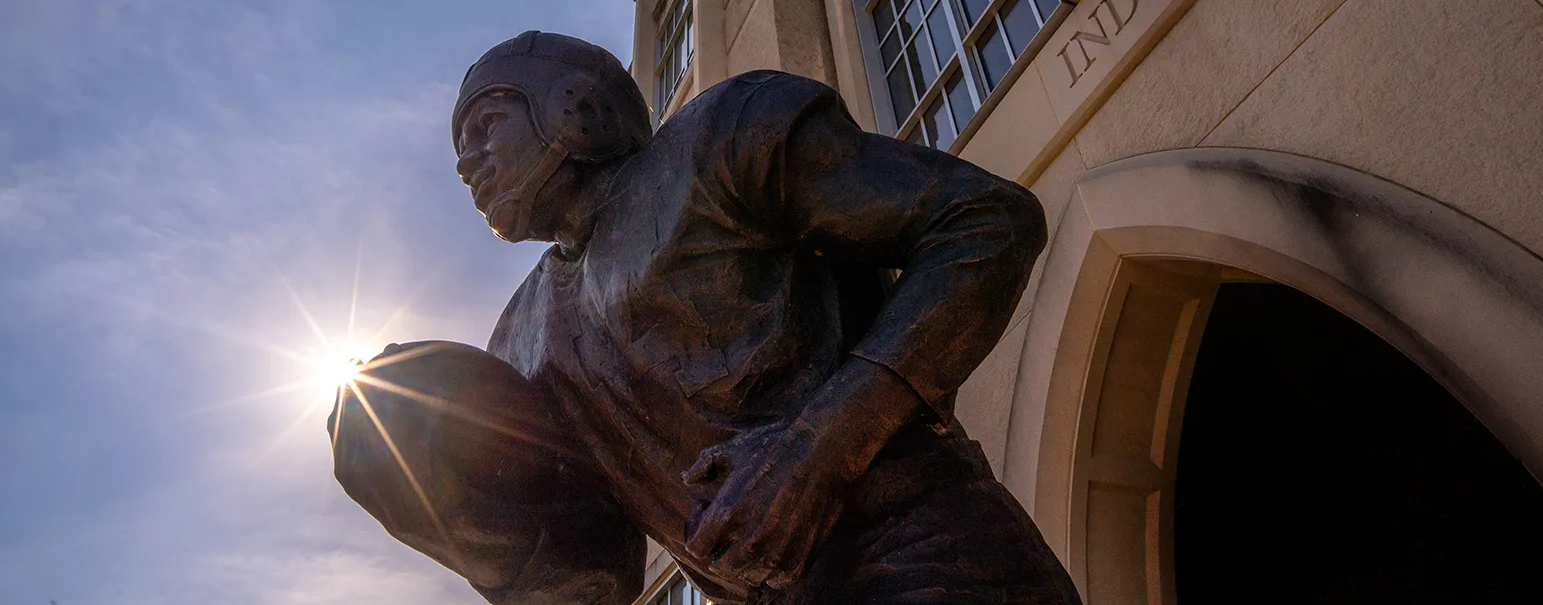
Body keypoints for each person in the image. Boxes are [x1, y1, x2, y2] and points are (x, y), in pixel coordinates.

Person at [329, 31, 1082, 605]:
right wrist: (439, 493)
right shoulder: (520, 340)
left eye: (486, 125)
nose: (467, 163)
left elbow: (985, 221)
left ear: (570, 105)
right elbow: (592, 571)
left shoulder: (721, 137)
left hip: (927, 546)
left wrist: (819, 449)